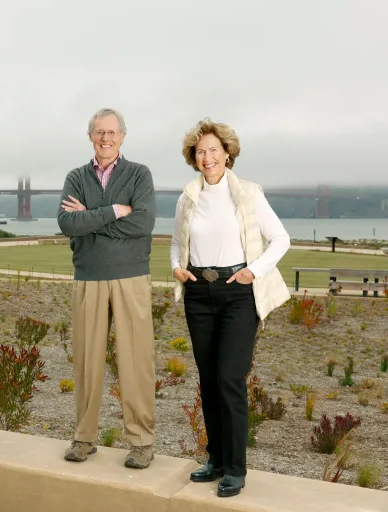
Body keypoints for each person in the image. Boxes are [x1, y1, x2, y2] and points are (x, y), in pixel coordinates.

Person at [171, 118, 290, 498]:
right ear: (194, 157)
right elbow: (177, 243)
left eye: (214, 150)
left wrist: (252, 272)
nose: (207, 157)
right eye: (201, 151)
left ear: (227, 153)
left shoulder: (250, 194)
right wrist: (177, 267)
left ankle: (236, 469)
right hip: (198, 295)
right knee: (208, 381)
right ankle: (217, 460)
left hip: (238, 294)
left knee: (229, 379)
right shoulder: (187, 196)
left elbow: (280, 239)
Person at [57, 108, 157, 469]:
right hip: (89, 277)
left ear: (123, 136)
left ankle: (142, 441)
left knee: (136, 361)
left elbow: (144, 223)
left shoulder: (139, 174)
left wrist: (93, 218)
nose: (105, 138)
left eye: (112, 132)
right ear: (90, 137)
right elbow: (68, 223)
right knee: (86, 360)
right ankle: (84, 437)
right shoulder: (75, 177)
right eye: (99, 132)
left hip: (131, 277)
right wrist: (115, 210)